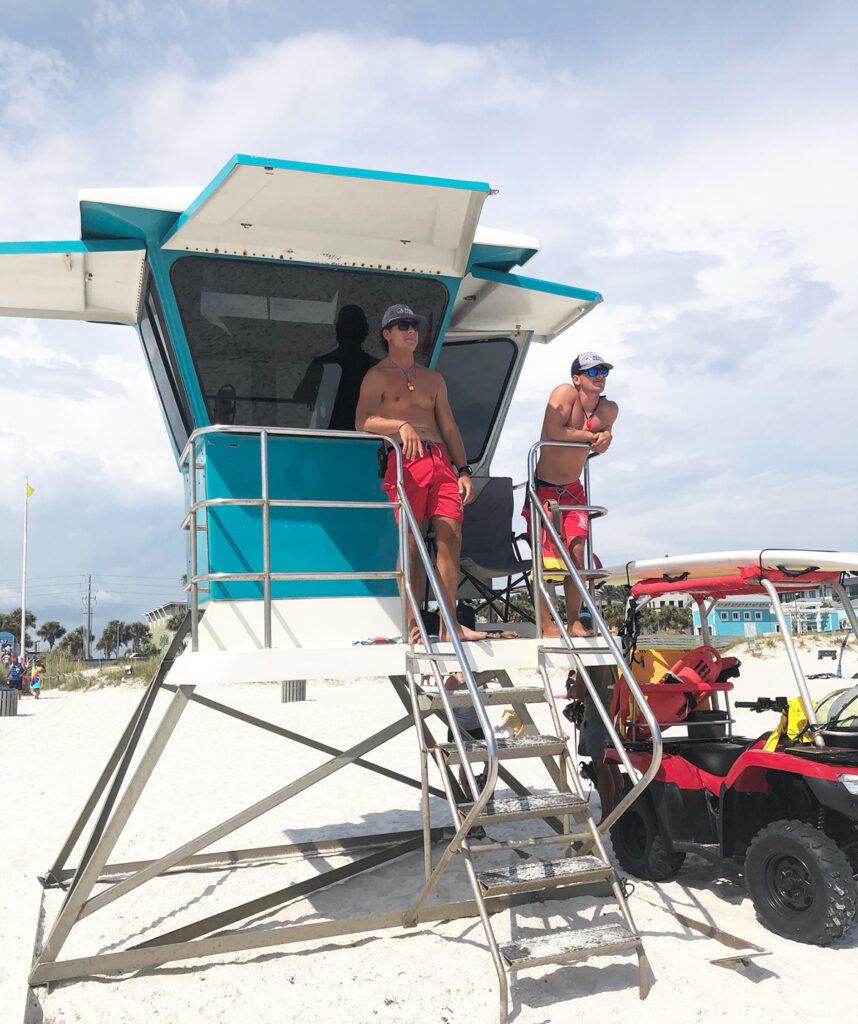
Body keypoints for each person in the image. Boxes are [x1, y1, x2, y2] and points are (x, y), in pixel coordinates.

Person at [355, 303, 487, 643]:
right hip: (405, 460)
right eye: (401, 325)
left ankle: (449, 626)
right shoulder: (376, 376)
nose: (410, 330)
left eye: (413, 324)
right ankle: (413, 626)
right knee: (410, 542)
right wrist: (400, 425)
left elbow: (449, 426)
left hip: (440, 459)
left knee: (451, 534)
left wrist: (463, 470)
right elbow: (363, 421)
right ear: (387, 334)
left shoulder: (433, 378)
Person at [525, 351, 618, 638]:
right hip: (544, 487)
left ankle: (573, 620)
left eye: (603, 371)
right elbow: (555, 431)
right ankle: (546, 625)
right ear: (577, 378)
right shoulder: (564, 394)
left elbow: (601, 443)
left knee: (578, 554)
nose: (599, 376)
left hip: (574, 490)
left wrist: (607, 437)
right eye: (592, 372)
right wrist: (594, 436)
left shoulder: (609, 409)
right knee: (542, 561)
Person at [294, 304, 378, 431]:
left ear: (338, 331)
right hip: (360, 436)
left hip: (336, 434)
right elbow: (301, 396)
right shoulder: (376, 366)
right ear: (364, 331)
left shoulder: (321, 364)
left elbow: (300, 396)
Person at [566, 667, 622, 824]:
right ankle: (619, 812)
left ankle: (607, 817)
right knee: (611, 765)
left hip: (598, 714)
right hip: (613, 710)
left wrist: (572, 691)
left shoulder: (585, 655)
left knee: (602, 767)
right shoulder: (607, 648)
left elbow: (580, 691)